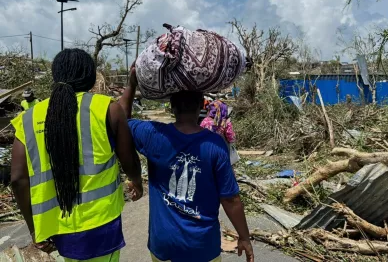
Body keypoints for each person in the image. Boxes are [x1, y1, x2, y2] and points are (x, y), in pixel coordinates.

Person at [10, 49, 143, 262]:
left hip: (57, 226)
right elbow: (129, 160)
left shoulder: (27, 119)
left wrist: (35, 230)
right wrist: (136, 182)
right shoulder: (106, 109)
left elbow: (18, 180)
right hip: (100, 222)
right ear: (91, 77)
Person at [119, 67, 254, 262]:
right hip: (202, 246)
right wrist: (244, 237)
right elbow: (231, 200)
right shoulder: (214, 145)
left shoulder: (153, 135)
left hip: (163, 244)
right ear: (201, 106)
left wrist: (131, 84)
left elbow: (121, 123)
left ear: (171, 106)